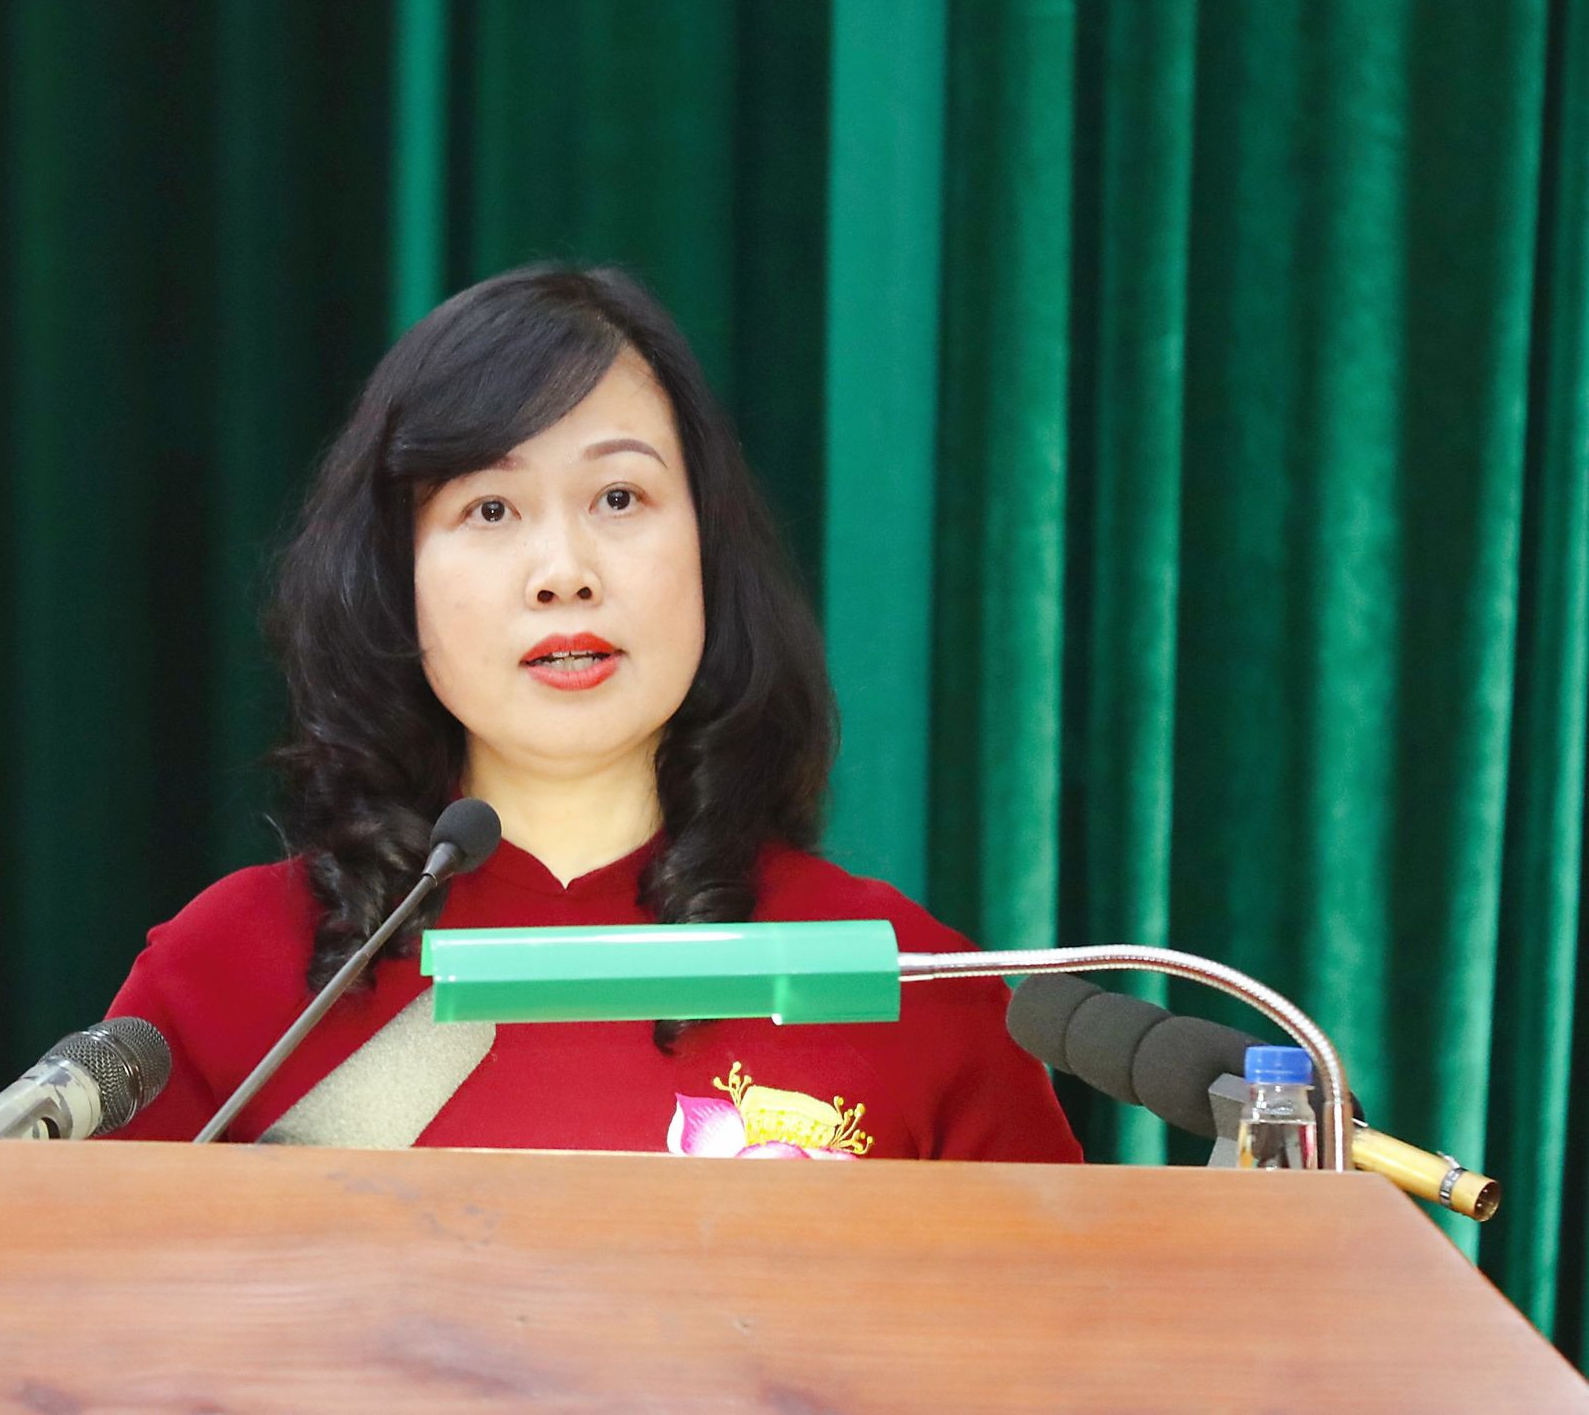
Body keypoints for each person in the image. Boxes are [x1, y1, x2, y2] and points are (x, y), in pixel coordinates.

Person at [106, 263, 1080, 1163]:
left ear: (707, 551)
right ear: (396, 581)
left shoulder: (899, 984)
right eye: (490, 509)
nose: (564, 574)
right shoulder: (225, 974)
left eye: (618, 496)